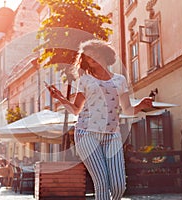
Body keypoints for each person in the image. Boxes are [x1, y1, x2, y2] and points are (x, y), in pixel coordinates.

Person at [47, 39, 153, 200]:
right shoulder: (86, 80)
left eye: (94, 54)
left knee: (119, 186)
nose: (92, 59)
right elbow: (76, 110)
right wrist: (61, 98)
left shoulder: (120, 80)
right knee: (102, 183)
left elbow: (127, 110)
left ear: (104, 53)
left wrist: (141, 105)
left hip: (112, 135)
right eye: (88, 57)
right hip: (86, 134)